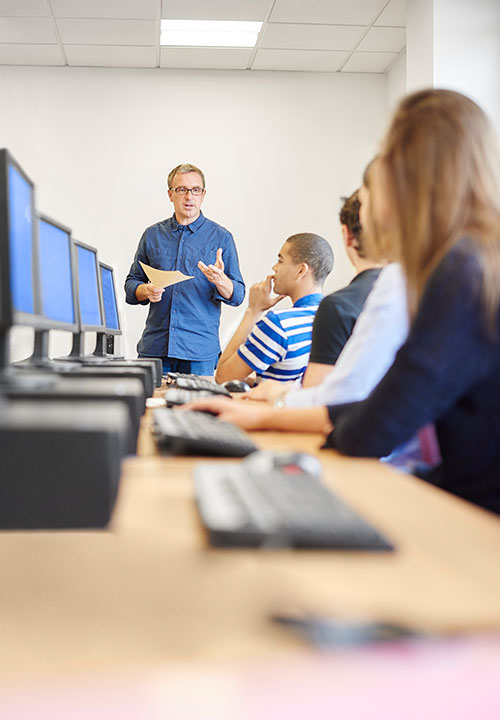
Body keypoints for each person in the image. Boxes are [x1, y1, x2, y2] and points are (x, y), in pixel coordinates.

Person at [187, 89, 500, 515]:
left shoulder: (460, 272)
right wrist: (270, 413)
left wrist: (272, 411)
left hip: (474, 519)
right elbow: (391, 403)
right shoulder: (475, 260)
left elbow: (379, 423)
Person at [248, 187, 386, 404]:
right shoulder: (405, 297)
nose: (275, 267)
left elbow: (313, 405)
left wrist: (277, 394)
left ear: (346, 235)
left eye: (280, 260)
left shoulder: (337, 308)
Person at [124, 163, 245, 376]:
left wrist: (220, 280)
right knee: (148, 407)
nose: (189, 196)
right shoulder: (152, 235)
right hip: (155, 348)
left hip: (199, 352)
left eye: (195, 190)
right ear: (170, 194)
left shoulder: (221, 237)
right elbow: (131, 285)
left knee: (197, 409)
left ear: (203, 194)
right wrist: (146, 290)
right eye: (181, 190)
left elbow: (238, 295)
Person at [214, 233, 334, 384]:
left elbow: (223, 377)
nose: (274, 268)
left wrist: (253, 311)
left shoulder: (279, 324)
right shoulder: (333, 321)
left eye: (280, 261)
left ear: (301, 271)